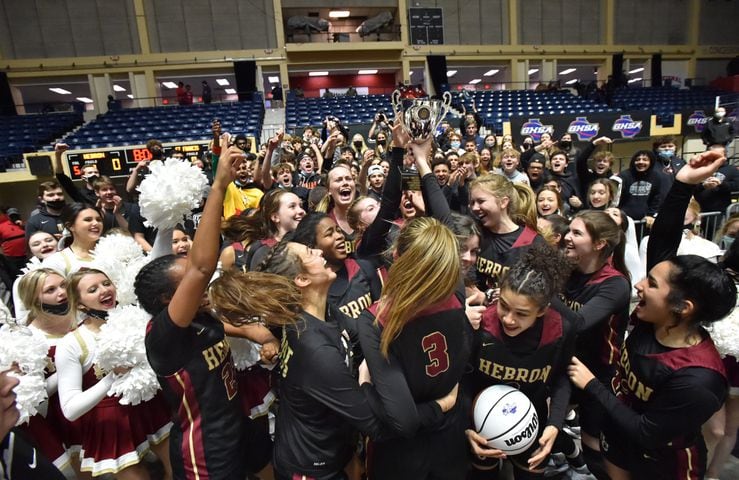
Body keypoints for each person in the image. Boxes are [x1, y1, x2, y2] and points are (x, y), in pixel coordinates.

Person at [568, 149, 735, 480]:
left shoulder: (699, 378)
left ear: (682, 308)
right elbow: (662, 241)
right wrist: (683, 183)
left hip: (663, 462)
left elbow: (647, 431)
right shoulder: (657, 316)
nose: (639, 285)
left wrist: (592, 385)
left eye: (652, 283)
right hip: (620, 435)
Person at [137, 146, 273, 479]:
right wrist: (219, 185)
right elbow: (200, 266)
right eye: (188, 285)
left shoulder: (200, 315)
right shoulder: (164, 335)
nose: (200, 284)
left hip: (234, 426)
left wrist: (249, 331)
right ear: (171, 298)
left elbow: (213, 326)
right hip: (205, 450)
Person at [357, 217, 471, 479]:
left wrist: (363, 384)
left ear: (395, 255)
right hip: (450, 439)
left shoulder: (377, 318)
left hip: (403, 454)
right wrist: (444, 404)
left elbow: (403, 421)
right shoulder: (457, 291)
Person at [466, 245, 578, 479]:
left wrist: (554, 424)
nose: (508, 319)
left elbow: (561, 378)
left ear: (542, 310)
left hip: (532, 421)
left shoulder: (560, 330)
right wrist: (465, 425)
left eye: (521, 313)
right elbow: (462, 380)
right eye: (504, 306)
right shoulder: (480, 325)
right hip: (481, 423)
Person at [57, 268, 172, 478]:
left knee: (178, 468)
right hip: (112, 421)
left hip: (153, 405)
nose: (103, 290)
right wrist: (112, 377)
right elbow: (70, 409)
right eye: (93, 289)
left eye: (106, 283)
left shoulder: (138, 315)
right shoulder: (72, 343)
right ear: (80, 303)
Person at [557, 210, 631, 478]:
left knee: (593, 442)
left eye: (576, 233)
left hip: (598, 373)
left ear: (599, 244)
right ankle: (570, 458)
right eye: (569, 230)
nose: (567, 237)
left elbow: (576, 323)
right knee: (547, 421)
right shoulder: (569, 268)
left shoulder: (615, 284)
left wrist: (541, 292)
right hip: (565, 362)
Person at [17, 268, 80, 477]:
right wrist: (68, 369)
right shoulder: (29, 338)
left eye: (63, 285)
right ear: (33, 299)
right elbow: (35, 394)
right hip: (65, 416)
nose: (61, 292)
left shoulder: (82, 312)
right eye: (50, 290)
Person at [469, 173, 545, 293]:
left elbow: (539, 291)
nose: (474, 208)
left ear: (503, 202)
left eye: (480, 201)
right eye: (472, 202)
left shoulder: (533, 241)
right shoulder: (476, 234)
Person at [219, 189, 305, 271]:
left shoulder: (307, 241)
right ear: (275, 217)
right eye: (292, 206)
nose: (301, 211)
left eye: (301, 206)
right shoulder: (263, 251)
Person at [42, 203, 104, 276]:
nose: (96, 223)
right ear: (70, 226)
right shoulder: (56, 261)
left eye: (99, 219)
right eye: (88, 220)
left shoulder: (114, 251)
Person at [617, 150, 664, 227]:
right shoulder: (624, 176)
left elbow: (656, 198)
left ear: (651, 162)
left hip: (644, 221)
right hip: (623, 220)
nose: (641, 162)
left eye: (645, 160)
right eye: (637, 159)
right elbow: (616, 198)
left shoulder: (656, 177)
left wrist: (651, 215)